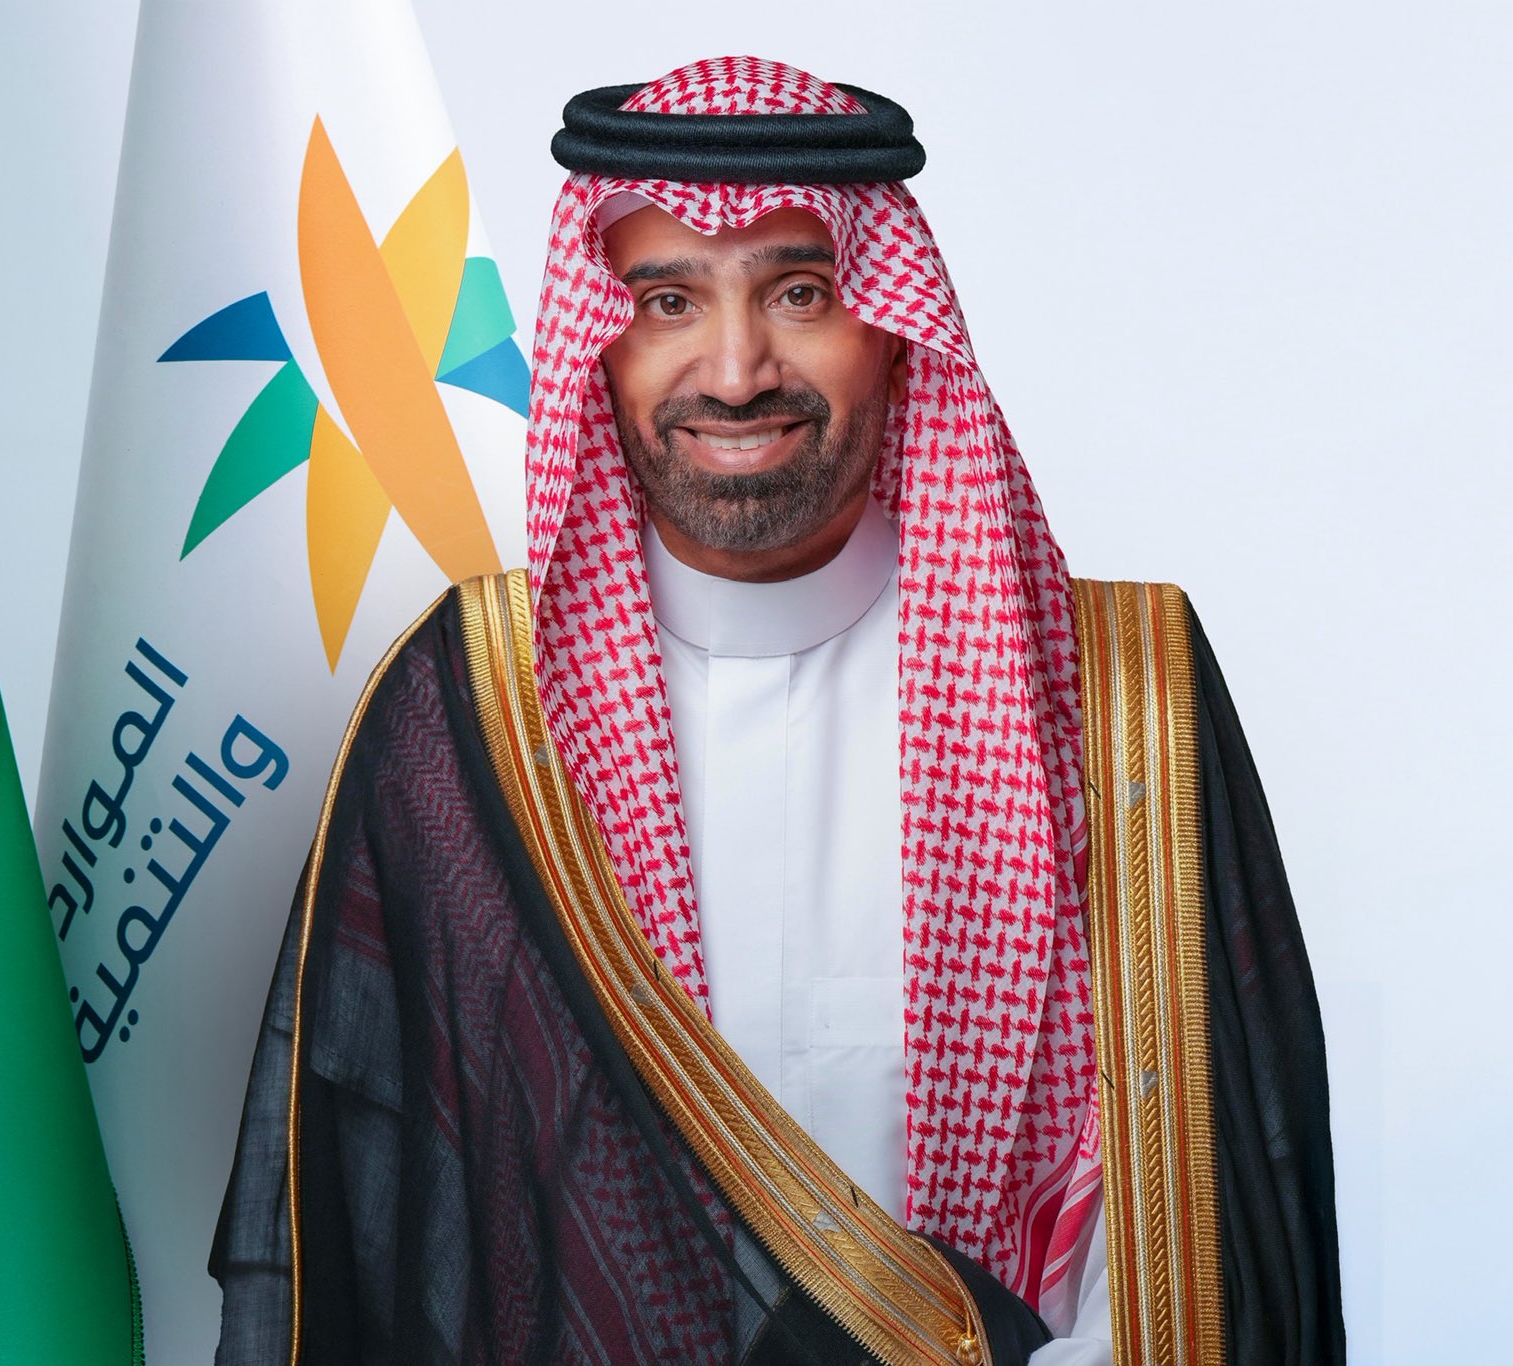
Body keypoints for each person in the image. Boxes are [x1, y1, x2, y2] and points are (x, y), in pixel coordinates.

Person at [213, 57, 1344, 1366]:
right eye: (668, 300)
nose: (738, 369)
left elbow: (1220, 1199)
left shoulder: (1117, 696)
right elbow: (378, 1221)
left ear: (894, 326)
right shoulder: (466, 718)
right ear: (600, 342)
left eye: (799, 293)